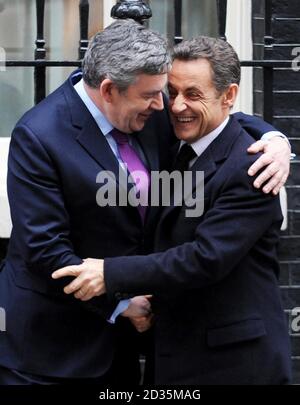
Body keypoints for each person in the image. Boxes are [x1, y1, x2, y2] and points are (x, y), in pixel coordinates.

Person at [0, 19, 290, 384]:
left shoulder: (147, 106)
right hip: (51, 350)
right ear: (109, 90)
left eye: (164, 93)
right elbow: (45, 250)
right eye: (156, 95)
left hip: (130, 347)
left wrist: (277, 139)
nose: (166, 105)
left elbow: (217, 113)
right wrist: (120, 303)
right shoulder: (39, 136)